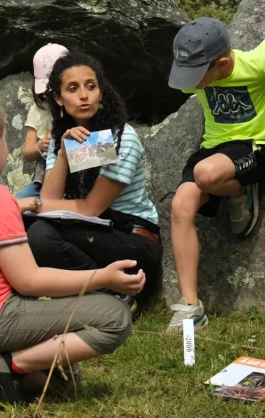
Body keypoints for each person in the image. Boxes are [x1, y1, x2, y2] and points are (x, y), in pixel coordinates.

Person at [0, 90, 143, 413]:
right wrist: (101, 278)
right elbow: (29, 281)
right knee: (114, 317)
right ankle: (7, 367)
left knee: (62, 381)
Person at [165, 17, 265, 334]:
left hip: (256, 147)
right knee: (181, 204)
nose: (190, 83)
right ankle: (191, 306)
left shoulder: (256, 64)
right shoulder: (195, 75)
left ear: (222, 63)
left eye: (196, 76)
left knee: (204, 173)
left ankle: (240, 188)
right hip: (215, 148)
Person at [18, 51, 162, 311]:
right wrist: (63, 153)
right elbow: (51, 201)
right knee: (28, 230)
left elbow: (90, 208)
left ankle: (119, 297)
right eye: (73, 88)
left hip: (132, 244)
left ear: (101, 93)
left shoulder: (121, 137)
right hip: (91, 233)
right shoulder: (63, 137)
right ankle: (95, 297)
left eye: (91, 86)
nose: (84, 95)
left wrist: (28, 203)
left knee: (38, 234)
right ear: (59, 98)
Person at [16, 43, 69, 199]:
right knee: (16, 202)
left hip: (74, 178)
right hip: (43, 178)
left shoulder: (77, 107)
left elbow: (102, 152)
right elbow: (27, 152)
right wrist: (39, 147)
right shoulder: (38, 110)